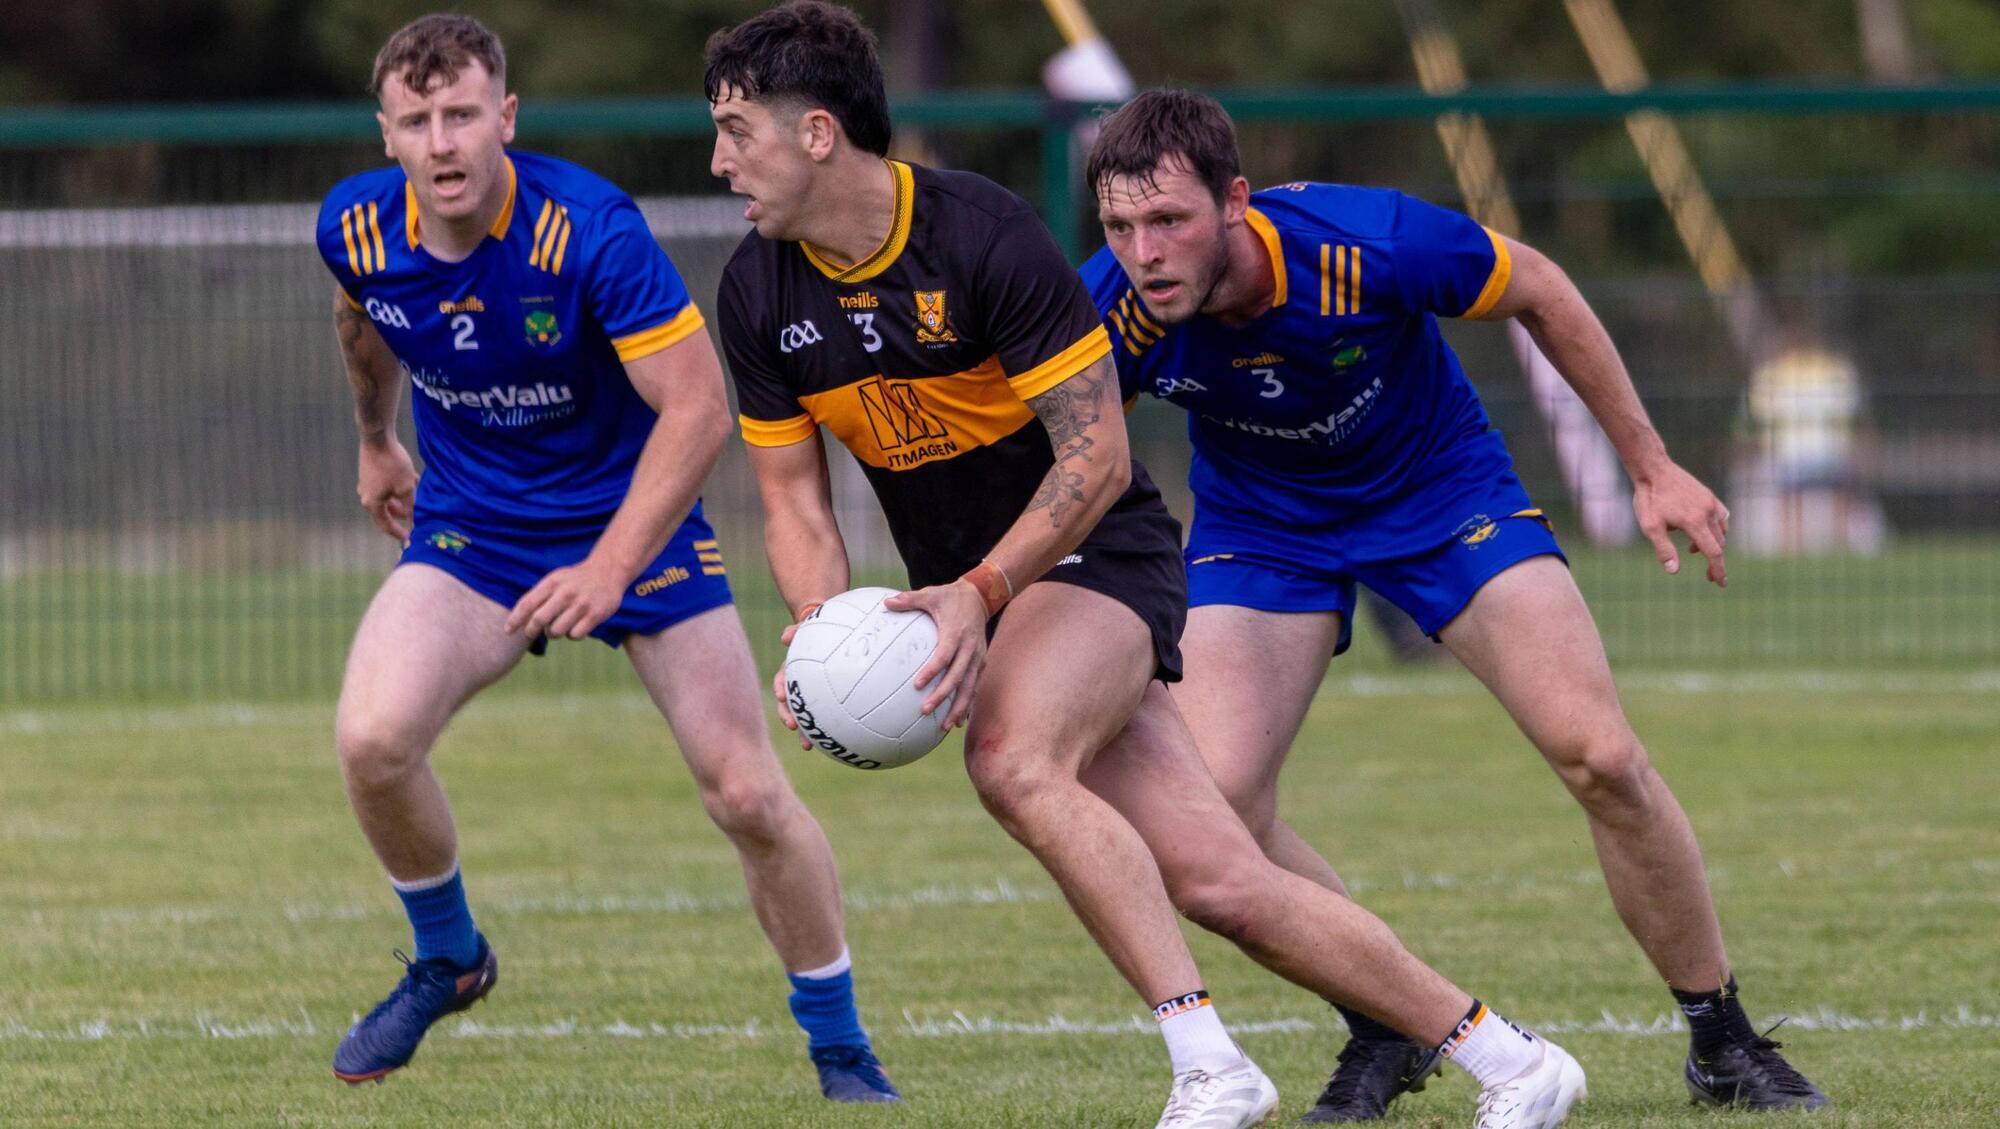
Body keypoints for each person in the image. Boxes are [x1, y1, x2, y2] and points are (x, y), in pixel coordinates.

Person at [707, 6, 1585, 1128]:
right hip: (973, 591)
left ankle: (1210, 1065)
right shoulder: (756, 291)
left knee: (1012, 759)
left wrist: (979, 594)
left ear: (818, 132)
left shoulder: (980, 234)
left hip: (1096, 552)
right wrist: (829, 632)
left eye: (736, 130)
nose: (720, 160)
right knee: (1222, 879)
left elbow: (1096, 454)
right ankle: (1514, 1059)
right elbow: (793, 499)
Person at [1080, 88, 1829, 1120]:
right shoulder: (1109, 309)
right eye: (1119, 227)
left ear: (1235, 201)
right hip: (1263, 525)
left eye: (1167, 220)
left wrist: (1650, 466)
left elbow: (1543, 290)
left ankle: (1721, 1039)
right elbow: (1055, 451)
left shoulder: (1368, 242)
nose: (1144, 252)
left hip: (1441, 497)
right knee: (1213, 815)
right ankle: (1385, 1021)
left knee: (1601, 757)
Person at [312, 14, 897, 1101]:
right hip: (475, 529)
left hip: (637, 522)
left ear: (506, 117)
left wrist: (608, 567)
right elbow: (363, 318)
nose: (442, 142)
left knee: (745, 794)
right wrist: (375, 437)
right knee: (372, 740)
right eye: (416, 121)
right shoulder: (354, 225)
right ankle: (449, 958)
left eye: (462, 115)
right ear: (385, 134)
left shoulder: (589, 230)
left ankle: (841, 1048)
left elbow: (698, 409)